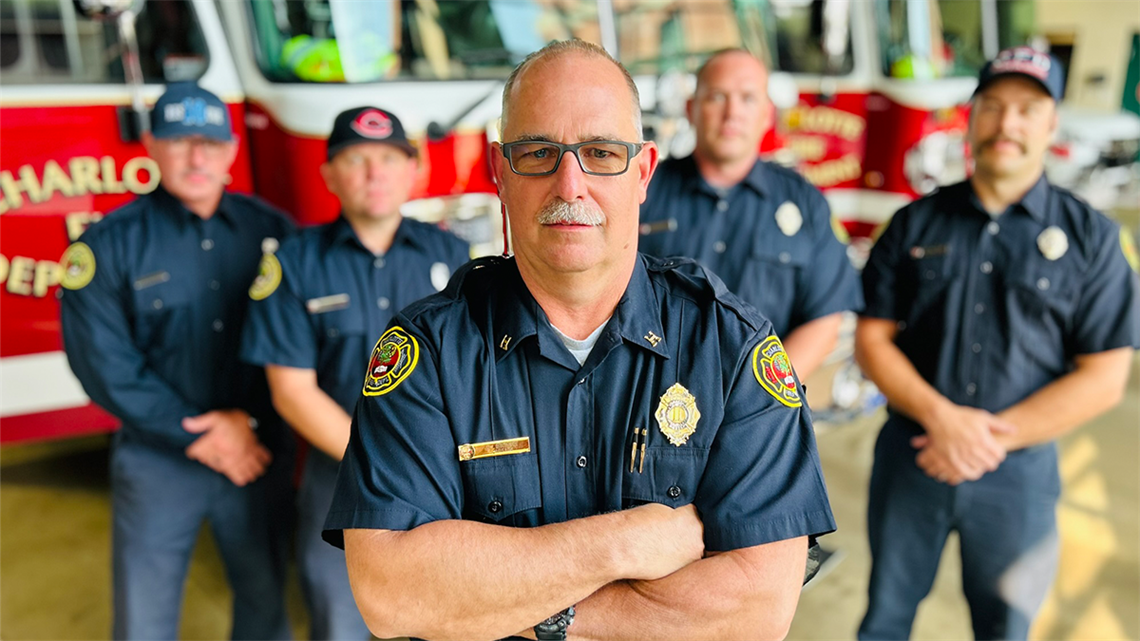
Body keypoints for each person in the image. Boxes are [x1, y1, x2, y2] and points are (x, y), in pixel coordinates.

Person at [322, 39, 835, 641]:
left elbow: (757, 609)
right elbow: (393, 593)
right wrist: (620, 544)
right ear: (499, 173)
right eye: (538, 153)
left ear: (644, 172)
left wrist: (523, 609)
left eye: (600, 153)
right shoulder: (428, 350)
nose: (571, 184)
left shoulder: (732, 346)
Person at [855, 46, 1139, 640]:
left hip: (1018, 474)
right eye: (993, 107)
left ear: (1051, 124)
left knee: (1005, 627)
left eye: (1027, 109)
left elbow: (1105, 375)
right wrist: (943, 421)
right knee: (884, 620)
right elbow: (872, 339)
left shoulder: (1093, 239)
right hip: (913, 459)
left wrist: (980, 440)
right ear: (972, 117)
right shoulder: (913, 224)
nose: (1007, 124)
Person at [58, 82, 294, 641]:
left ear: (232, 150)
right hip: (158, 458)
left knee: (265, 601)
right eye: (179, 141)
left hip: (255, 450)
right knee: (144, 618)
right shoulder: (105, 247)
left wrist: (250, 423)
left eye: (210, 143)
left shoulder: (276, 234)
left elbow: (297, 341)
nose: (196, 157)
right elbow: (103, 364)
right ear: (150, 146)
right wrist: (201, 434)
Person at [241, 106, 470, 641]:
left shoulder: (455, 255)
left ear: (412, 170)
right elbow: (291, 390)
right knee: (340, 621)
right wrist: (383, 462)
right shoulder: (293, 264)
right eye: (357, 159)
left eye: (389, 158)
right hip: (340, 477)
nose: (375, 172)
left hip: (447, 477)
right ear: (329, 175)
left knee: (447, 619)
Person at [639, 48, 861, 382]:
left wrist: (763, 395)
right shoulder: (642, 192)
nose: (732, 114)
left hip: (761, 406)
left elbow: (824, 320)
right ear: (691, 109)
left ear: (768, 114)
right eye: (716, 97)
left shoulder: (806, 203)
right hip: (648, 395)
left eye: (748, 98)